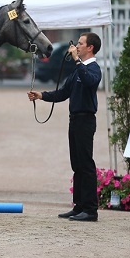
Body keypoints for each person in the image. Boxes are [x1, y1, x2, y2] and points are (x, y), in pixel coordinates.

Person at [27, 32, 102, 222]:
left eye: (80, 43)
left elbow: (90, 81)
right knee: (77, 165)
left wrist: (77, 61)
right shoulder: (78, 70)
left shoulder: (93, 68)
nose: (76, 46)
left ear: (90, 47)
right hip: (75, 120)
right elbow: (63, 93)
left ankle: (91, 210)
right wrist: (41, 95)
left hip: (86, 120)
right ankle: (79, 206)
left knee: (86, 165)